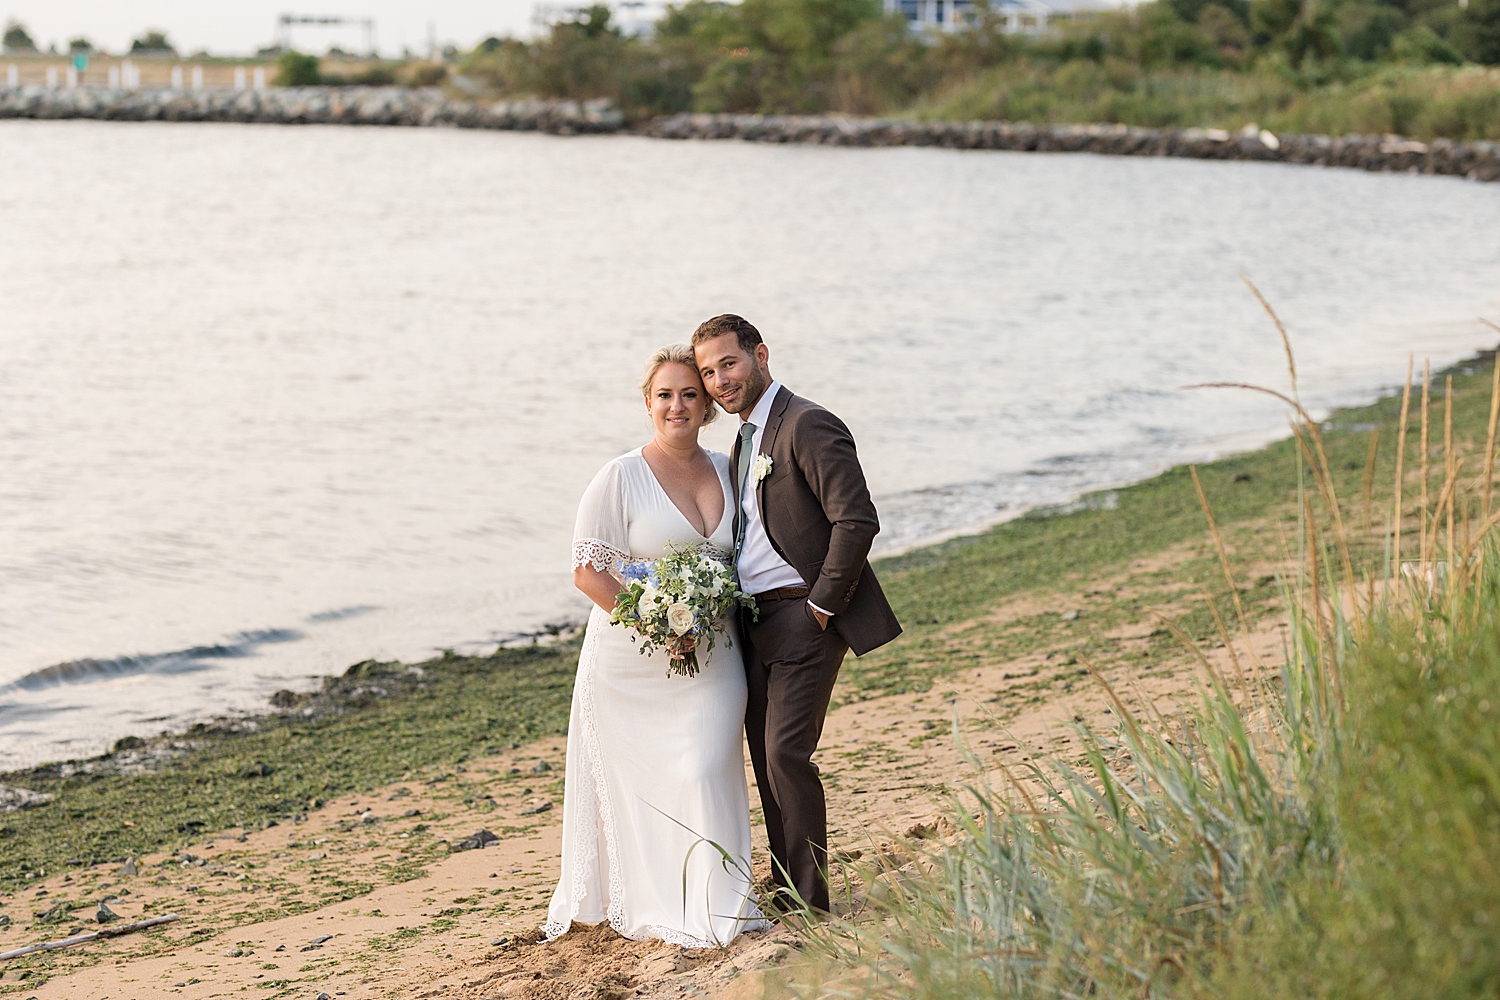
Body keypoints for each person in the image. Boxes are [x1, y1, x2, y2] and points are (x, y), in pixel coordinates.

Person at [543, 344, 766, 947]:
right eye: (665, 395)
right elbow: (588, 572)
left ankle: (723, 903)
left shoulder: (730, 467)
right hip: (633, 663)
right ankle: (654, 896)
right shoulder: (619, 477)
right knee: (646, 780)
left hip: (715, 654)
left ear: (707, 405)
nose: (678, 405)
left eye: (690, 393)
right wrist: (660, 628)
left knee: (704, 766)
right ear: (647, 403)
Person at [692, 314, 902, 914]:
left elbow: (856, 519)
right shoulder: (744, 437)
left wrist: (820, 607)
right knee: (763, 755)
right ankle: (787, 889)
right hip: (755, 622)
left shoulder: (806, 423)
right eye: (708, 373)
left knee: (786, 753)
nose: (719, 381)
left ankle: (809, 900)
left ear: (760, 355)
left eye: (728, 364)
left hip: (805, 617)